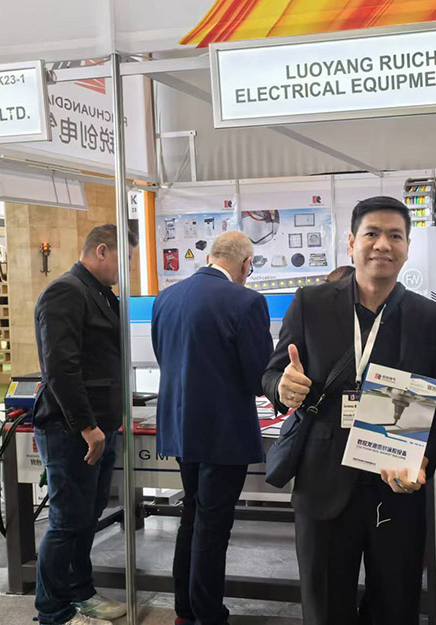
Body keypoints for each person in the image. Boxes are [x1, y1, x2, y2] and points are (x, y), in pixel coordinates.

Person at [262, 196, 436, 625]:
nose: (383, 244)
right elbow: (273, 374)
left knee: (396, 606)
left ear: (407, 247)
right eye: (372, 233)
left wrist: (424, 460)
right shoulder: (310, 303)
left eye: (395, 235)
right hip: (323, 481)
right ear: (351, 243)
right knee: (325, 607)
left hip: (396, 483)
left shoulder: (431, 318)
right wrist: (283, 387)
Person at [152, 231, 274, 625]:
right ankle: (208, 615)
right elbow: (259, 376)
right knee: (213, 525)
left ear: (211, 258)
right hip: (224, 433)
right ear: (246, 264)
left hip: (180, 427)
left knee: (192, 514)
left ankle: (185, 610)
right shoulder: (246, 301)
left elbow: (163, 356)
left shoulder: (166, 297)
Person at [33, 224, 137, 625]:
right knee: (66, 523)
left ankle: (81, 592)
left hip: (100, 426)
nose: (127, 268)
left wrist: (114, 418)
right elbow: (61, 368)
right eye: (125, 259)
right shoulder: (66, 292)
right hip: (71, 430)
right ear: (102, 251)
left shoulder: (101, 294)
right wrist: (87, 427)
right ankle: (53, 611)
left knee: (86, 518)